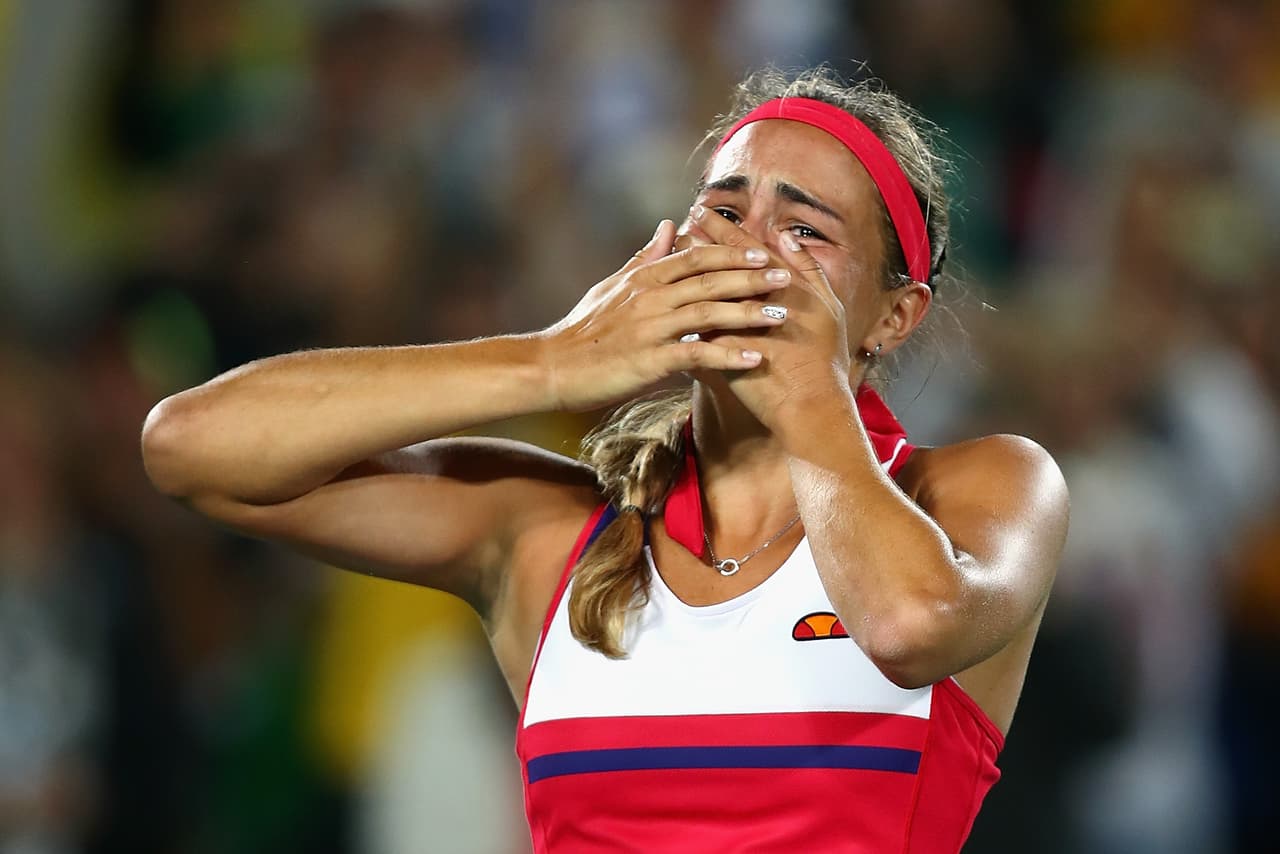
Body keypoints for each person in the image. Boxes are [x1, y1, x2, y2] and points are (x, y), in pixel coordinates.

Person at [142, 66, 1068, 852]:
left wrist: (810, 394)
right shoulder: (552, 536)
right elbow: (191, 448)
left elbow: (906, 625)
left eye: (805, 231)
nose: (746, 249)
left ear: (895, 316)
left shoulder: (982, 488)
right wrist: (549, 361)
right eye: (724, 210)